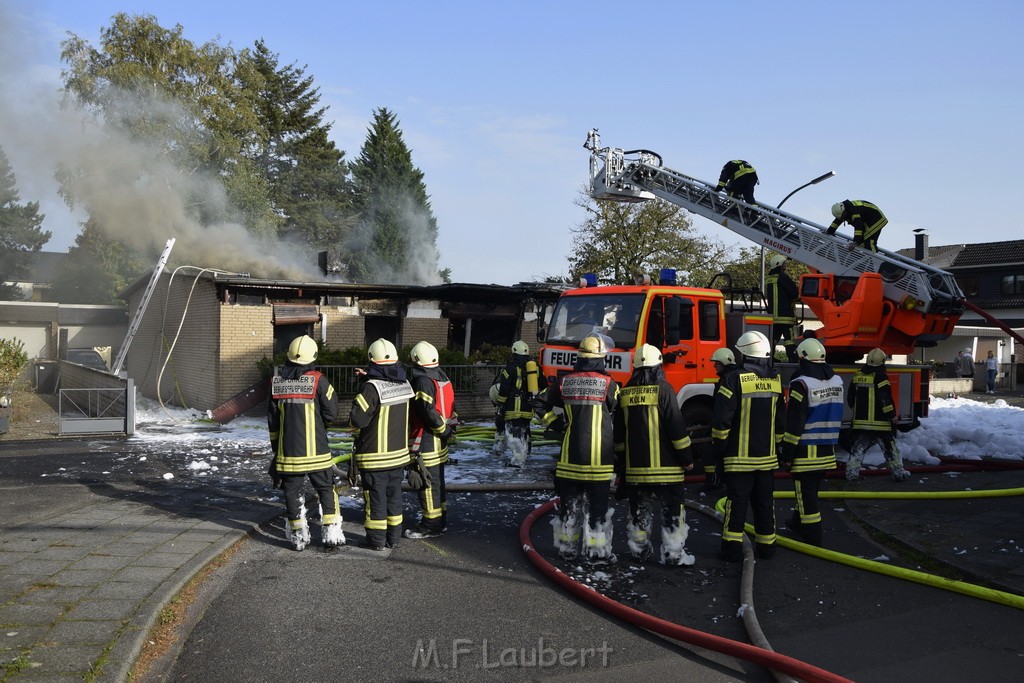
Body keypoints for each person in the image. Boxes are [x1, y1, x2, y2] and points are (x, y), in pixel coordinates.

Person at [536, 334, 619, 564]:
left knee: (569, 509)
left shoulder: (564, 382)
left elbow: (539, 404)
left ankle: (567, 550)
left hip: (569, 461)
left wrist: (557, 423)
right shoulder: (609, 384)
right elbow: (617, 413)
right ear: (601, 358)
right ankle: (596, 554)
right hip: (598, 462)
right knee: (597, 512)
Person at [613, 344, 696, 566]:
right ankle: (673, 554)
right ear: (659, 365)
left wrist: (622, 465)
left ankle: (639, 551)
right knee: (672, 513)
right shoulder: (664, 389)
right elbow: (676, 428)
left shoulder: (626, 393)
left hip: (636, 471)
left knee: (639, 513)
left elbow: (619, 436)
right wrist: (687, 460)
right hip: (667, 471)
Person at [711, 330, 784, 562]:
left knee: (737, 504)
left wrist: (720, 447)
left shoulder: (734, 379)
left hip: (739, 458)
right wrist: (777, 447)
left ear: (744, 354)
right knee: (764, 504)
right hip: (767, 458)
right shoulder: (775, 378)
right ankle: (767, 548)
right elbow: (780, 420)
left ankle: (731, 550)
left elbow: (723, 419)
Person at [267, 335, 342, 552]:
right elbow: (331, 412)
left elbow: (273, 423)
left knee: (292, 493)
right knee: (326, 489)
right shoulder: (319, 380)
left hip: (289, 455)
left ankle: (299, 537)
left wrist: (277, 450)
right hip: (318, 452)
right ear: (313, 357)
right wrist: (320, 426)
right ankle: (331, 533)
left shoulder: (277, 383)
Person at [349, 338, 415, 550]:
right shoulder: (405, 384)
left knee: (375, 498)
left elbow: (358, 419)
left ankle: (376, 541)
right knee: (394, 497)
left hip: (374, 456)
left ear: (371, 359)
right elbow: (386, 383)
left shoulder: (371, 388)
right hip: (398, 456)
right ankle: (393, 538)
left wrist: (364, 386)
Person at [779, 338, 844, 547]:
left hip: (806, 452)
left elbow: (795, 423)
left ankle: (812, 536)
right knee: (809, 491)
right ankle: (796, 524)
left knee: (807, 497)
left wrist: (787, 454)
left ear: (803, 358)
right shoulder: (837, 382)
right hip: (827, 451)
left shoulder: (802, 384)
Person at [405, 341, 457, 539]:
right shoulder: (442, 377)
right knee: (437, 483)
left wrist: (442, 430)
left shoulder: (422, 381)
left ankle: (430, 525)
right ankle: (439, 520)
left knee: (427, 483)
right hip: (439, 442)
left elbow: (427, 411)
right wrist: (446, 432)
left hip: (427, 441)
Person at [845, 348, 911, 483]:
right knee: (890, 449)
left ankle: (852, 474)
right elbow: (885, 399)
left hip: (861, 423)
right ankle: (898, 474)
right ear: (882, 361)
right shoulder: (881, 377)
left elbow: (850, 398)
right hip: (880, 423)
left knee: (858, 448)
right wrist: (892, 416)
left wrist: (857, 411)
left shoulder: (858, 375)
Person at [492, 340, 540, 468]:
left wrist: (500, 404)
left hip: (514, 407)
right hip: (528, 407)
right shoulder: (534, 368)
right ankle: (526, 455)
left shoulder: (510, 368)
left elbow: (504, 390)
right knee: (525, 431)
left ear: (514, 352)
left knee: (515, 434)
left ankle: (518, 462)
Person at [698, 347, 737, 495]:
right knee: (708, 446)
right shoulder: (725, 379)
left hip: (728, 428)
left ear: (725, 363)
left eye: (717, 364)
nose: (715, 366)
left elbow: (726, 410)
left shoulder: (729, 381)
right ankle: (713, 481)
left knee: (715, 452)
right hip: (724, 425)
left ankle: (717, 483)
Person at [765, 253, 799, 355]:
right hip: (786, 317)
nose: (786, 265)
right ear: (780, 264)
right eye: (785, 263)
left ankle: (770, 358)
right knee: (790, 340)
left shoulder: (769, 279)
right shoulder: (783, 278)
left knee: (774, 339)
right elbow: (794, 293)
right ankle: (792, 359)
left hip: (774, 317)